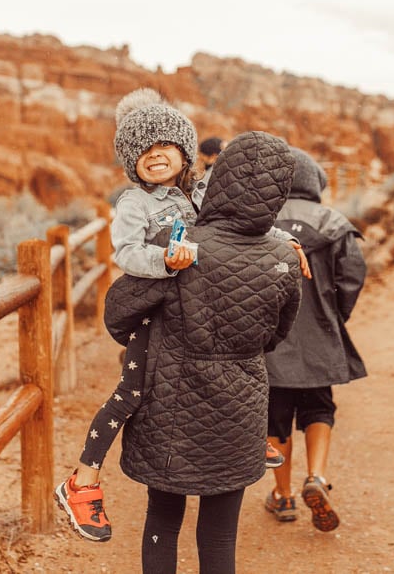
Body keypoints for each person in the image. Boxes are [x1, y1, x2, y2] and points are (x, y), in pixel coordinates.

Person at [54, 89, 300, 542]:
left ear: (185, 151)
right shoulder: (135, 203)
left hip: (183, 305)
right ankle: (81, 482)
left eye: (164, 145)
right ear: (130, 161)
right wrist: (166, 263)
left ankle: (246, 440)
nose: (154, 155)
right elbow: (126, 253)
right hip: (152, 312)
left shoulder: (193, 192)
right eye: (142, 150)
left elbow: (242, 215)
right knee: (132, 393)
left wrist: (284, 240)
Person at [104, 130, 302, 574]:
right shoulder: (284, 258)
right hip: (241, 405)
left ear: (219, 179)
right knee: (220, 532)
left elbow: (118, 314)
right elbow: (275, 335)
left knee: (163, 516)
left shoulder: (180, 246)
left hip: (171, 401)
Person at [264, 147, 367, 532]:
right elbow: (353, 276)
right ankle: (317, 478)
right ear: (315, 183)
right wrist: (334, 315)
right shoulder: (334, 223)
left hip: (272, 342)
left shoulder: (261, 220)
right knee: (320, 407)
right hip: (320, 334)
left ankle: (284, 496)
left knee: (276, 417)